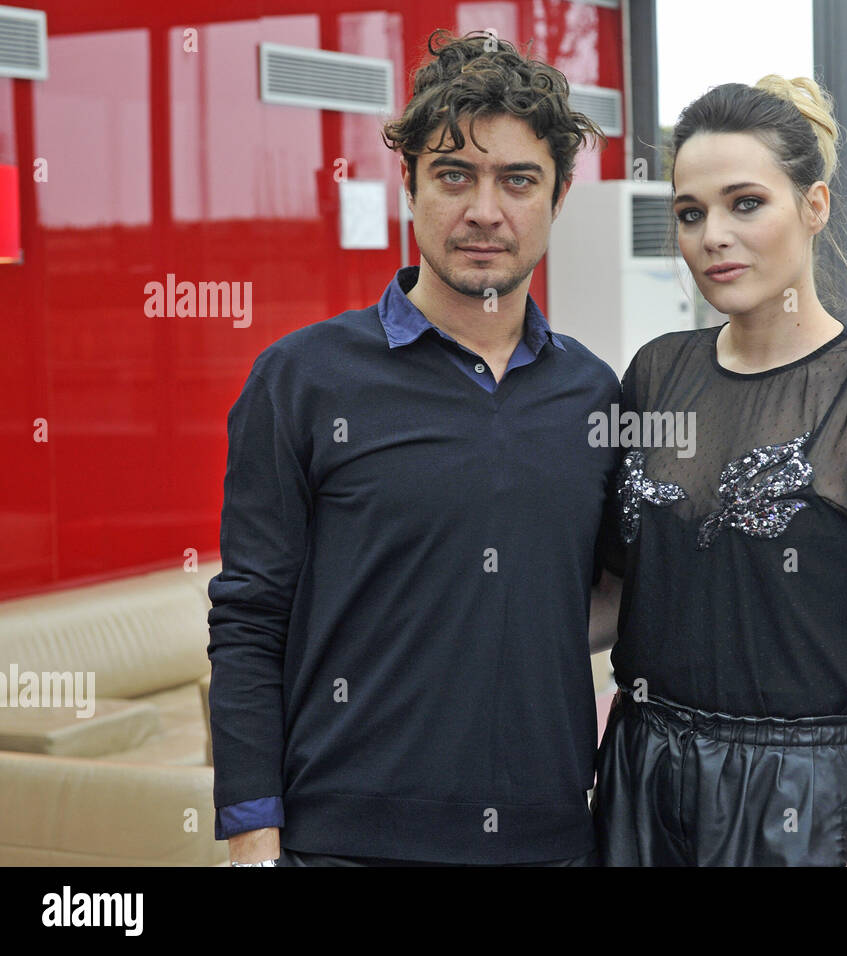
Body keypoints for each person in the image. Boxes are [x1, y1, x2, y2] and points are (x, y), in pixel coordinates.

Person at [207, 28, 623, 867]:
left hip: (549, 843)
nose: (484, 210)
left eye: (518, 180)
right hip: (345, 846)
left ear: (559, 196)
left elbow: (608, 599)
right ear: (408, 185)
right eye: (453, 175)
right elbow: (249, 621)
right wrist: (254, 842)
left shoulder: (595, 396)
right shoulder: (301, 381)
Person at [591, 76, 847, 866]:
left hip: (798, 799)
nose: (713, 236)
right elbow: (617, 597)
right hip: (639, 777)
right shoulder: (656, 374)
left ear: (814, 205)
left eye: (745, 203)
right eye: (691, 213)